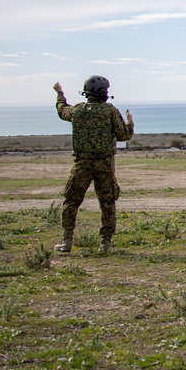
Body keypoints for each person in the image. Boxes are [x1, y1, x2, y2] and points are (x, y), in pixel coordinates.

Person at [53, 76, 134, 253]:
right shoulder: (110, 111)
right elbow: (124, 135)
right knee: (107, 202)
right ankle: (105, 242)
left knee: (71, 201)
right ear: (103, 92)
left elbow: (62, 110)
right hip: (104, 165)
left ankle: (66, 241)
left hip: (81, 164)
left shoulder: (77, 110)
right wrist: (130, 122)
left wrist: (60, 93)